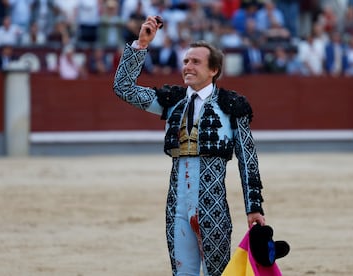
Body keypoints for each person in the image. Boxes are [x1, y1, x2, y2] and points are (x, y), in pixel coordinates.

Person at [113, 16, 265, 276]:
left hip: (213, 208)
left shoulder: (231, 105)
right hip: (177, 207)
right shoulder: (172, 101)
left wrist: (254, 207)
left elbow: (247, 159)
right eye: (185, 61)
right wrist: (141, 44)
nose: (187, 66)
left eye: (195, 62)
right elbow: (123, 88)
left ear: (213, 70)